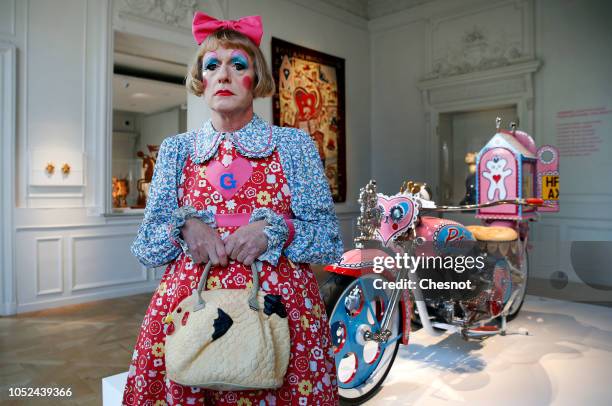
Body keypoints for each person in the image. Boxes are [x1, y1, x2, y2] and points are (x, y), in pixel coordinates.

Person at [122, 11, 344, 406]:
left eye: (237, 64)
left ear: (255, 77)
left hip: (282, 319)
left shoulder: (293, 145)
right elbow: (146, 248)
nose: (223, 75)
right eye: (212, 65)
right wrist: (185, 226)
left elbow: (328, 243)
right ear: (201, 80)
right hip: (192, 317)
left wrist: (278, 231)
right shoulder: (175, 150)